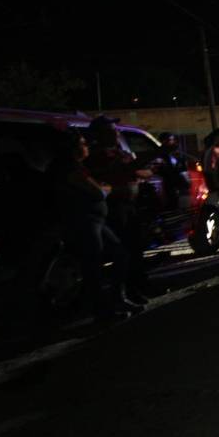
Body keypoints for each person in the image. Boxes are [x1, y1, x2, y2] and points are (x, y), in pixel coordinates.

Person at [51, 130, 140, 320]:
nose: (86, 147)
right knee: (93, 267)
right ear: (72, 148)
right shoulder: (68, 169)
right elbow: (98, 192)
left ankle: (117, 298)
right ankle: (102, 311)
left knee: (119, 254)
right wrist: (105, 188)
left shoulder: (77, 167)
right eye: (83, 144)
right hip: (83, 222)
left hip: (95, 221)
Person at [85, 115, 156, 302]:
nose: (117, 132)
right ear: (101, 134)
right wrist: (156, 153)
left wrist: (146, 170)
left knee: (135, 248)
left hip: (130, 206)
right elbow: (129, 169)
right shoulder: (99, 154)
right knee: (125, 250)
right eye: (112, 130)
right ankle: (124, 292)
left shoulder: (118, 151)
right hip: (116, 208)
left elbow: (138, 172)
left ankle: (136, 287)